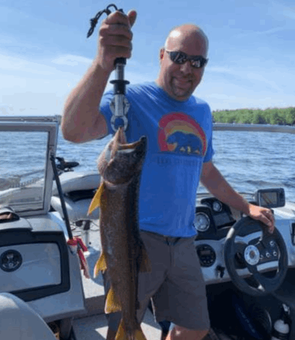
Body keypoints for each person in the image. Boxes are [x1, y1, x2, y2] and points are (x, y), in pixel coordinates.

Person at [61, 9, 275, 340]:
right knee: (124, 328)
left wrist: (247, 208)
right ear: (162, 55)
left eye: (197, 62)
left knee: (196, 326)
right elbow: (74, 130)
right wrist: (103, 64)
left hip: (184, 239)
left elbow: (206, 170)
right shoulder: (131, 98)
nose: (187, 68)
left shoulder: (202, 111)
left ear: (204, 66)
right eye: (178, 57)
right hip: (132, 237)